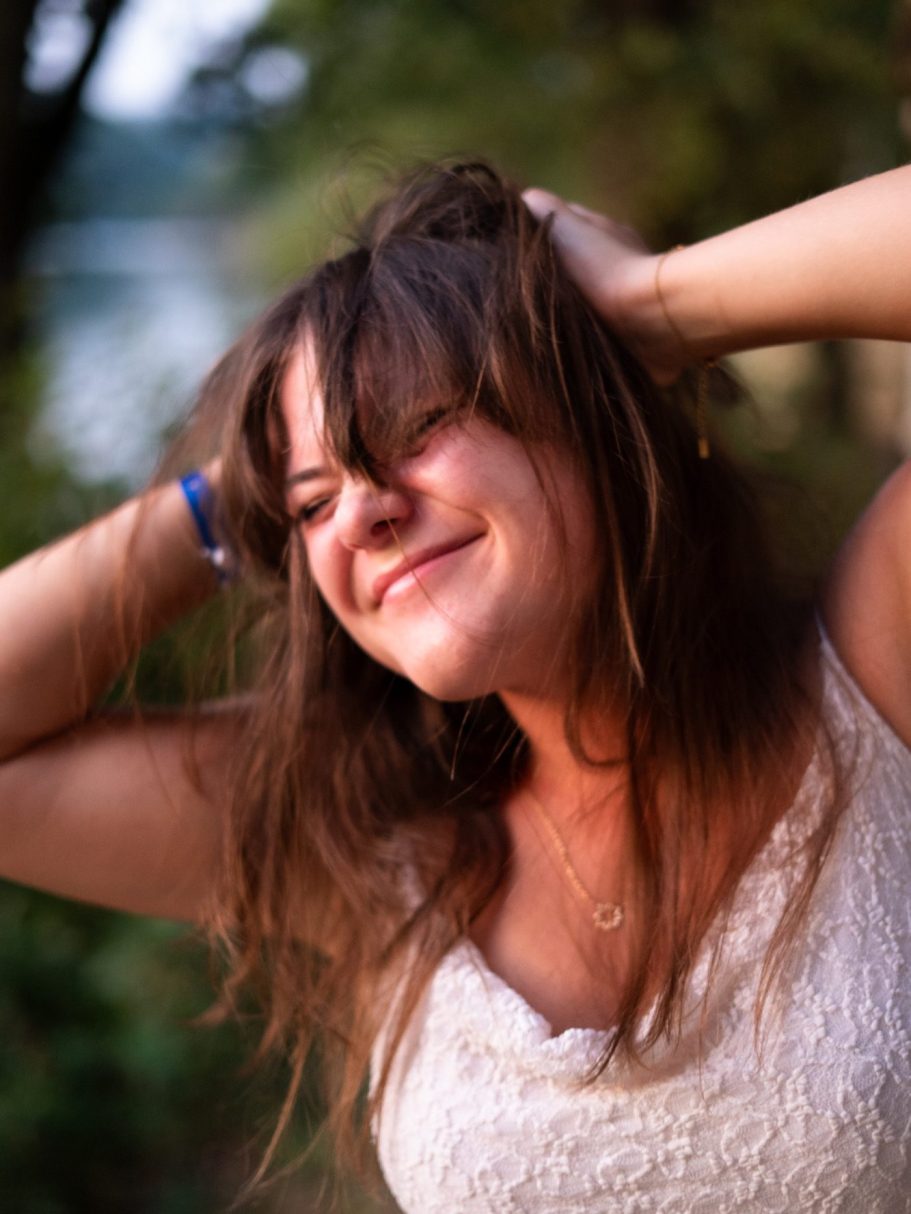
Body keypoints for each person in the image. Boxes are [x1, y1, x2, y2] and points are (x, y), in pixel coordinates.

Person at [0, 159, 909, 1212]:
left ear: (590, 411)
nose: (362, 515)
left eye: (418, 424)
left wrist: (647, 303)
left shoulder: (874, 672)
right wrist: (220, 503)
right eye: (309, 501)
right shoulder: (369, 838)